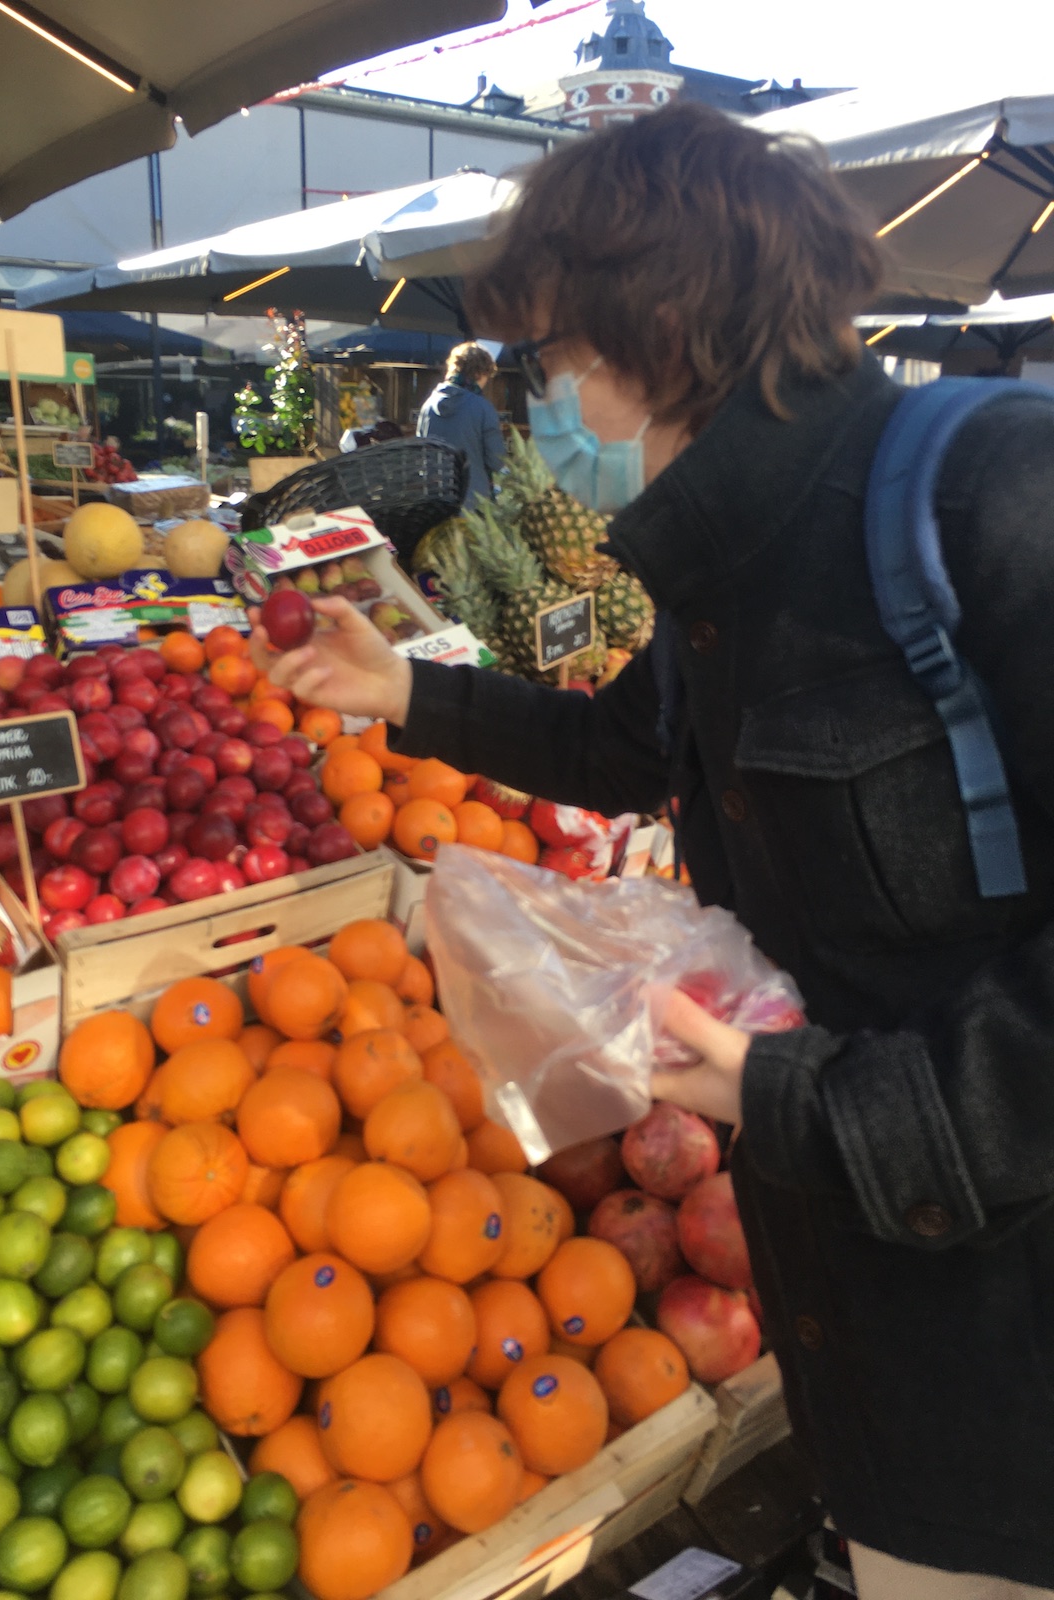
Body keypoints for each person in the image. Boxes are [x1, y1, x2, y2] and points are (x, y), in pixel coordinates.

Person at [251, 102, 1054, 1600]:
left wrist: (805, 1098)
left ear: (664, 329)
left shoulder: (988, 492)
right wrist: (405, 690)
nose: (541, 407)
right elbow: (624, 754)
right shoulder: (718, 565)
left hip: (1017, 1321)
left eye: (549, 365)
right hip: (866, 1316)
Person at [416, 341, 506, 506]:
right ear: (480, 373)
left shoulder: (428, 406)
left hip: (435, 500)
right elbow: (497, 460)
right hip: (473, 501)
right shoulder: (482, 407)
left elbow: (420, 453)